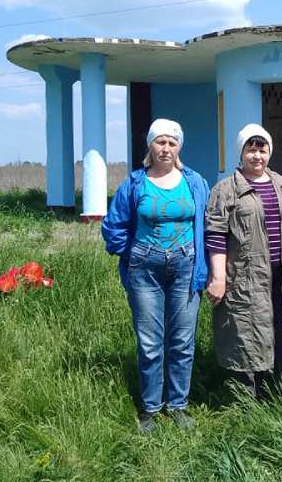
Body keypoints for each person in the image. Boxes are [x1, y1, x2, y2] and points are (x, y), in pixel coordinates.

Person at [101, 118, 209, 433]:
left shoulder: (194, 182)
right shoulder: (135, 183)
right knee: (150, 342)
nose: (165, 148)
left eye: (171, 142)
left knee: (182, 340)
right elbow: (113, 224)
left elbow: (207, 222)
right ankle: (150, 408)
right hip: (144, 269)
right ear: (150, 145)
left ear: (179, 147)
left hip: (186, 267)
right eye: (160, 142)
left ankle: (178, 406)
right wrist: (130, 252)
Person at [205, 124, 282, 400]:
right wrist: (218, 277)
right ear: (241, 153)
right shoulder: (226, 190)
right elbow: (216, 236)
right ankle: (249, 399)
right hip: (246, 276)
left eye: (262, 149)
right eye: (251, 149)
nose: (257, 156)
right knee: (248, 330)